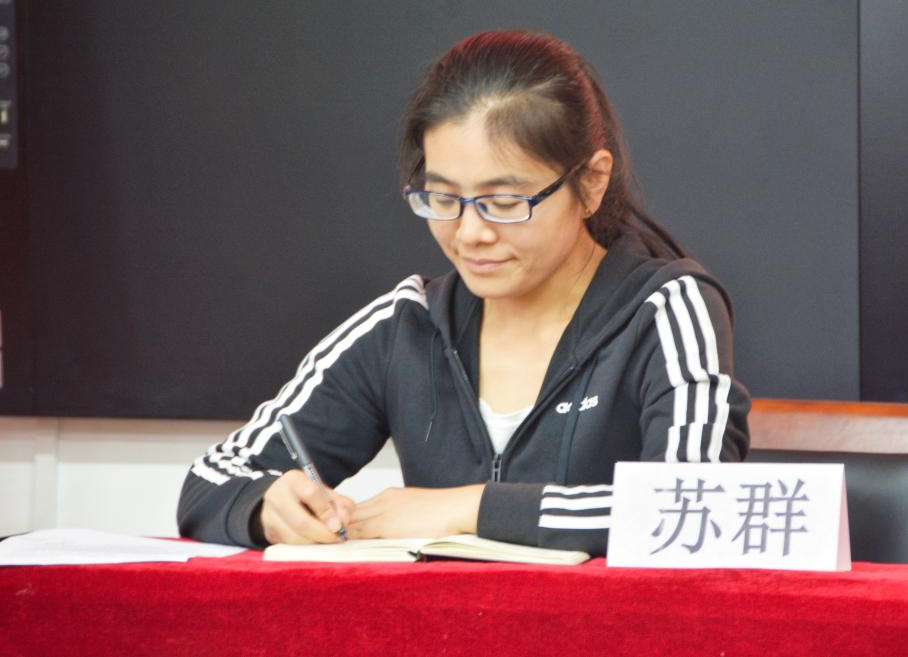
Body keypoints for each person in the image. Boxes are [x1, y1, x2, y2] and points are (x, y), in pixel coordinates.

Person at [177, 30, 750, 555]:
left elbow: (695, 506)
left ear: (592, 182)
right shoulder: (407, 324)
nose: (470, 233)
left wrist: (470, 509)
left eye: (504, 202)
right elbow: (210, 481)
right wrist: (267, 506)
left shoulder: (667, 309)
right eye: (443, 198)